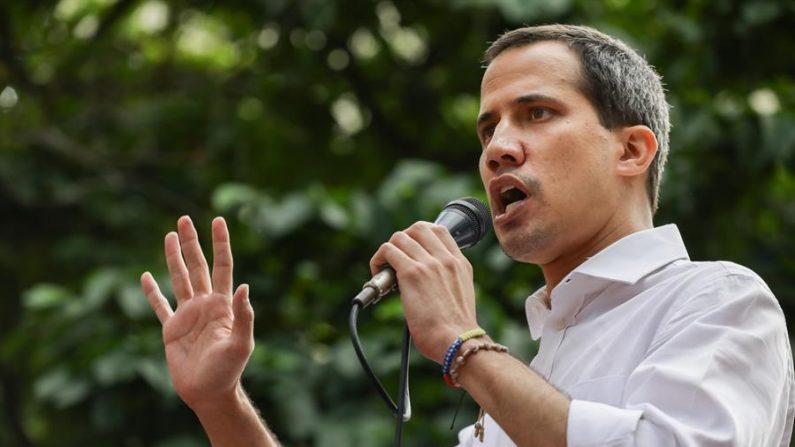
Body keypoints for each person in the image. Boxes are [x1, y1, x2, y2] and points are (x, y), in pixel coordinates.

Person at [140, 24, 794, 446]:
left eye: (536, 113)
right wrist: (221, 404)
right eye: (487, 129)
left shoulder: (718, 300)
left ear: (631, 150)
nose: (498, 149)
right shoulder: (526, 381)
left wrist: (463, 343)